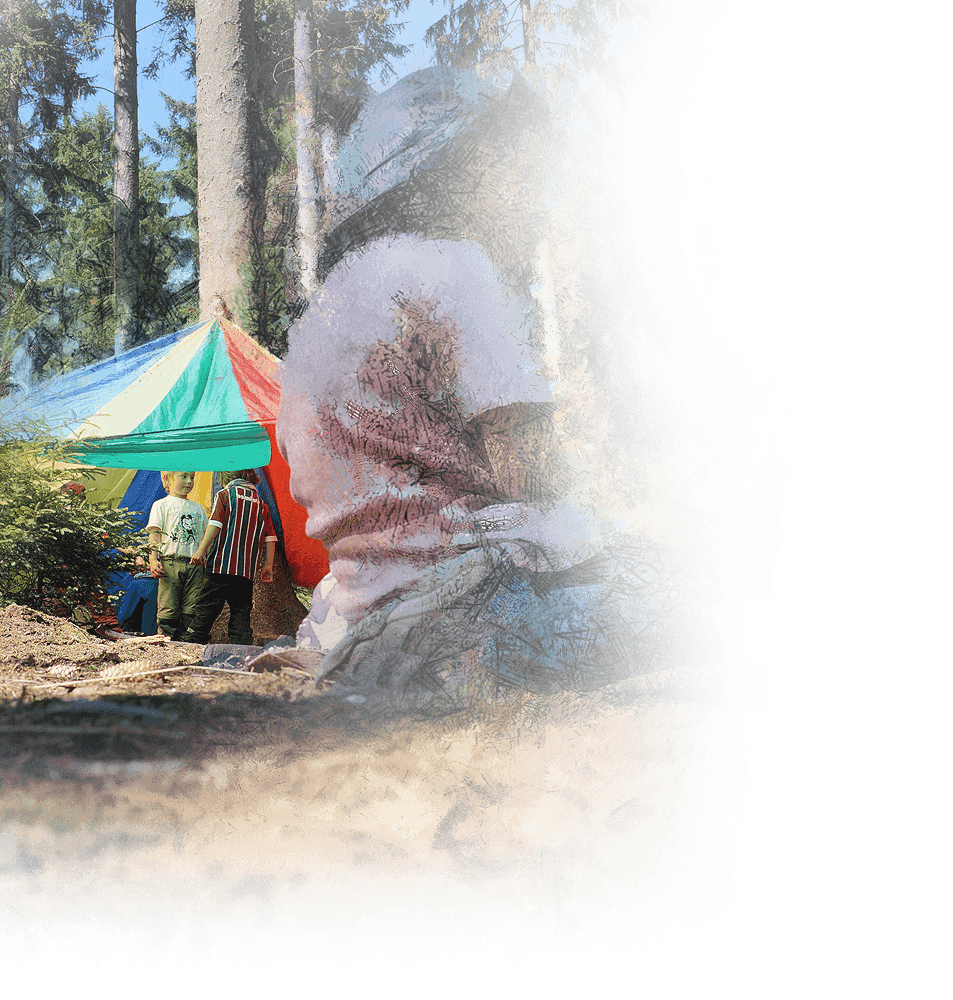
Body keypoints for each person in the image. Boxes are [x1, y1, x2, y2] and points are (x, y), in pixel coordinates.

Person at [278, 65, 709, 714]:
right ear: (465, 171)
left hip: (362, 622)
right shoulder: (459, 269)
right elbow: (529, 473)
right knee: (700, 593)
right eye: (523, 176)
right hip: (476, 614)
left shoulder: (321, 319)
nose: (539, 208)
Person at [191, 469, 278, 646]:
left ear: (224, 478)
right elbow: (270, 538)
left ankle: (194, 640)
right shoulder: (261, 504)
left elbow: (215, 524)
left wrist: (201, 550)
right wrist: (267, 565)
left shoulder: (225, 495)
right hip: (245, 572)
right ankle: (241, 646)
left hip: (220, 566)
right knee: (241, 611)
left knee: (207, 607)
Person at [144, 470, 209, 642]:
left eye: (192, 477)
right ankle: (167, 641)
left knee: (191, 607)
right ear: (168, 479)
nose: (189, 481)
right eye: (184, 476)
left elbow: (205, 538)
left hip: (194, 566)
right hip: (170, 563)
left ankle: (187, 643)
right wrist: (153, 559)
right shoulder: (161, 505)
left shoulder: (198, 509)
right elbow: (155, 535)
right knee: (168, 607)